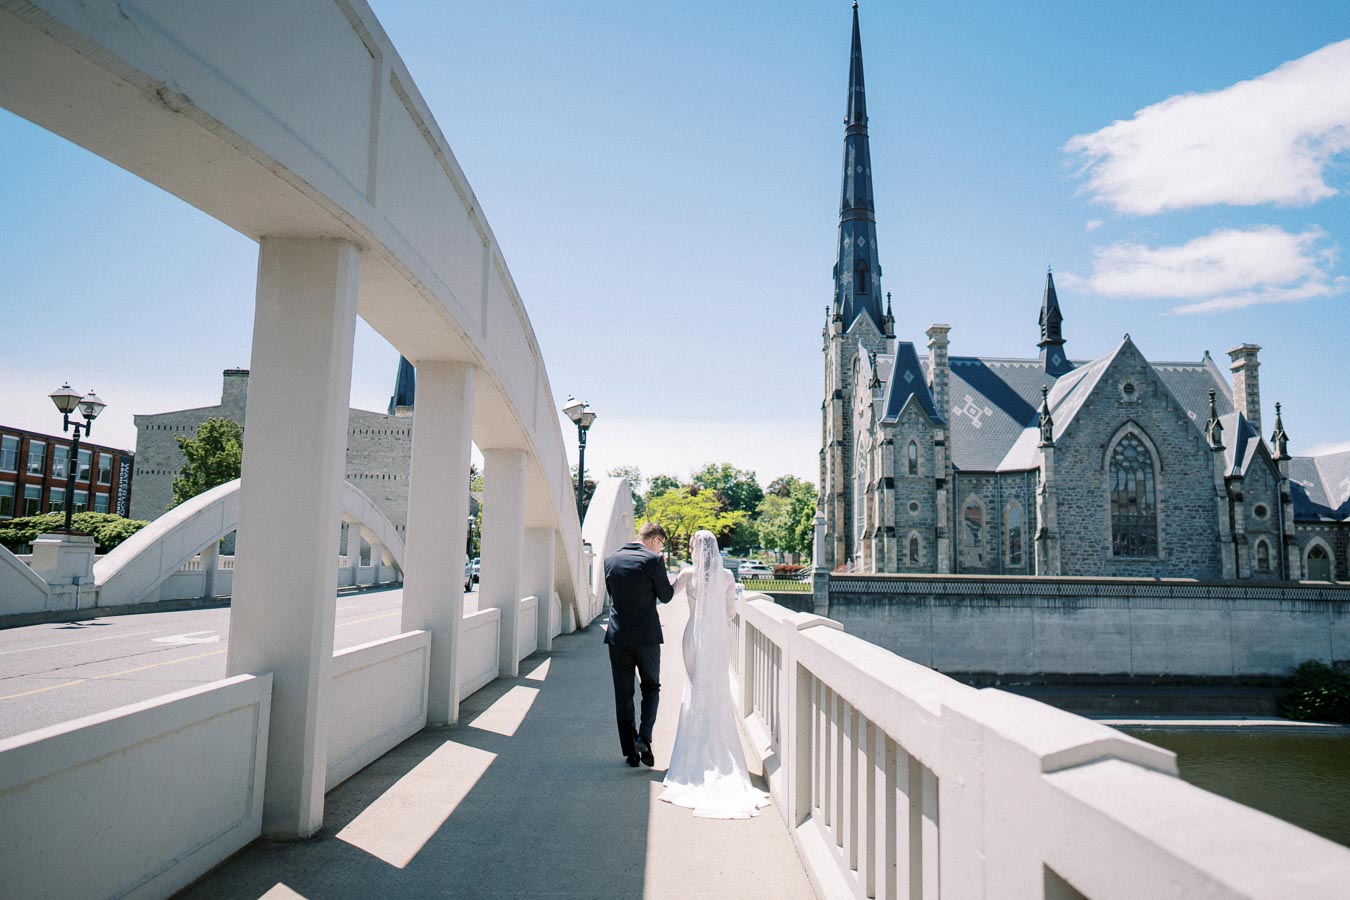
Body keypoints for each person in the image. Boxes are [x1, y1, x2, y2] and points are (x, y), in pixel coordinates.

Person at [659, 530, 770, 818]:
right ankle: (718, 746)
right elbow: (731, 613)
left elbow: (667, 596)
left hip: (693, 637)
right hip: (717, 639)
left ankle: (693, 750)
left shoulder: (687, 574)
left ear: (696, 549)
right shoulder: (727, 577)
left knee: (695, 689)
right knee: (716, 689)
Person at [603, 522, 675, 767]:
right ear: (655, 540)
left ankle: (631, 753)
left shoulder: (610, 559)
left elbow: (613, 595)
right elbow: (666, 596)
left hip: (618, 637)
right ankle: (644, 737)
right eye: (661, 545)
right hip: (646, 637)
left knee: (623, 695)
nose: (660, 550)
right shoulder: (653, 562)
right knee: (651, 687)